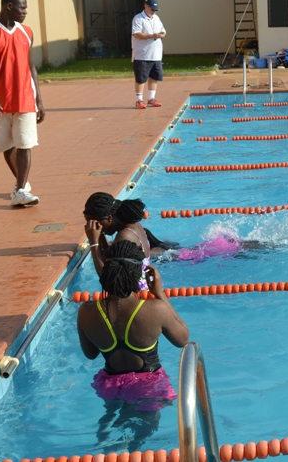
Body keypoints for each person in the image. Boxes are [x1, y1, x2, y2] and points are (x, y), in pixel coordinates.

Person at [77, 241, 189, 451]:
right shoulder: (155, 309)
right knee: (142, 438)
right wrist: (160, 294)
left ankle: (105, 447)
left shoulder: (86, 311)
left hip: (110, 385)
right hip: (149, 387)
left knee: (110, 425)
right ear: (139, 274)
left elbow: (90, 354)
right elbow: (182, 339)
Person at [0, 0, 46, 207]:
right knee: (7, 146)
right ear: (9, 6)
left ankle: (21, 189)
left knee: (25, 144)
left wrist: (39, 100)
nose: (25, 12)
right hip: (0, 99)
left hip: (25, 98)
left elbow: (31, 67)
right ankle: (20, 184)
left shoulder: (27, 32)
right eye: (22, 7)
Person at [84, 193, 172, 289]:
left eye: (95, 222)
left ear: (109, 218)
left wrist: (93, 242)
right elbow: (110, 258)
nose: (92, 226)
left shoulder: (125, 235)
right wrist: (100, 236)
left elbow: (108, 278)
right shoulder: (134, 225)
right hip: (147, 289)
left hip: (137, 295)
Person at [131, 0, 166, 109]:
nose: (154, 12)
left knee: (154, 77)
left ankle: (151, 98)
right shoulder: (138, 18)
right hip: (142, 54)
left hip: (156, 54)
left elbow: (163, 32)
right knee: (141, 78)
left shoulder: (156, 18)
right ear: (146, 7)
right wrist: (152, 36)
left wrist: (160, 35)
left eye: (155, 10)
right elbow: (136, 34)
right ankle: (139, 100)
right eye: (152, 9)